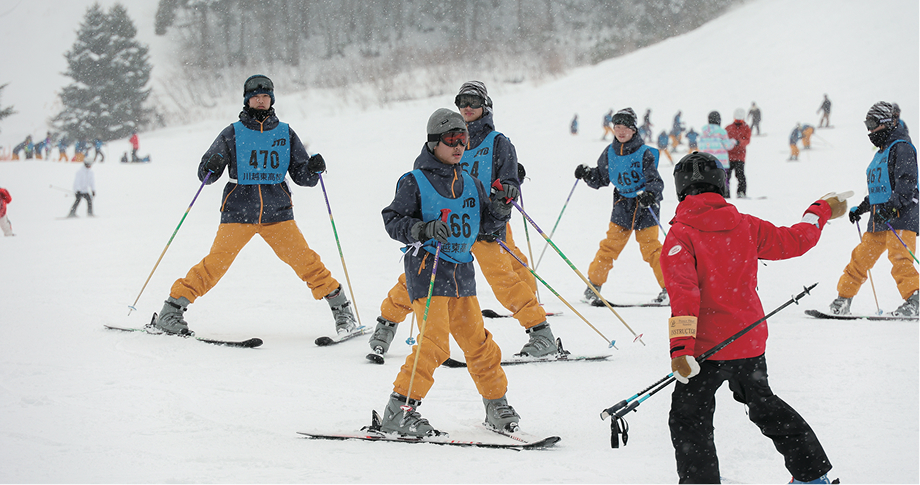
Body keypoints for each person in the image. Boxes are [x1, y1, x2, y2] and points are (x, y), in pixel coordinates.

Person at [662, 151, 843, 484]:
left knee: (689, 418)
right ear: (720, 183)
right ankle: (812, 476)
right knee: (763, 405)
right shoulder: (746, 224)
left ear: (680, 188)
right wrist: (820, 211)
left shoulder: (680, 234)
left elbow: (684, 295)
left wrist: (681, 350)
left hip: (704, 350)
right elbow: (796, 240)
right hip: (747, 342)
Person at [152, 74, 358, 337]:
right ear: (247, 101)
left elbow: (303, 177)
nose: (260, 101)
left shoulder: (285, 133)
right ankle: (171, 311)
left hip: (278, 213)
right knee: (214, 265)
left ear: (271, 100)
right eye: (255, 97)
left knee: (306, 262)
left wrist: (313, 169)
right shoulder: (232, 133)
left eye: (265, 97)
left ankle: (342, 312)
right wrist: (211, 165)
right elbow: (206, 175)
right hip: (238, 212)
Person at [369, 81, 558, 359]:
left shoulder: (497, 142)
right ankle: (386, 324)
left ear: (486, 105)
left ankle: (541, 332)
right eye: (462, 101)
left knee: (504, 279)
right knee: (413, 280)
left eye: (474, 101)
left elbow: (509, 183)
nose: (467, 107)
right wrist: (420, 227)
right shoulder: (443, 139)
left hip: (483, 223)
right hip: (444, 228)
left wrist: (504, 197)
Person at [376, 107, 520, 437]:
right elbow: (392, 220)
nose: (458, 145)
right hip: (427, 272)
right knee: (434, 345)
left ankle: (496, 404)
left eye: (463, 138)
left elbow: (486, 228)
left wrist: (500, 210)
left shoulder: (470, 182)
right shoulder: (414, 181)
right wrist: (421, 229)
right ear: (433, 143)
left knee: (478, 343)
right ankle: (399, 410)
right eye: (451, 139)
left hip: (462, 273)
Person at [829, 101, 918, 317]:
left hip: (901, 216)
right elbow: (882, 189)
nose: (869, 131)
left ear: (886, 122)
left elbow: (906, 183)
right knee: (861, 258)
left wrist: (893, 207)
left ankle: (915, 300)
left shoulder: (902, 147)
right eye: (866, 125)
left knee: (900, 258)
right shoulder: (881, 152)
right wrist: (862, 207)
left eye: (872, 124)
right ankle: (843, 299)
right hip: (880, 219)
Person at [575, 107, 668, 306]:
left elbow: (655, 181)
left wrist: (651, 194)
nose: (621, 131)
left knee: (651, 248)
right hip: (622, 205)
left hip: (645, 205)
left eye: (625, 127)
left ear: (634, 129)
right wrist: (587, 174)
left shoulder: (644, 153)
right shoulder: (610, 153)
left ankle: (670, 287)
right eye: (617, 127)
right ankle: (593, 287)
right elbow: (601, 178)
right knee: (609, 246)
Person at [698, 111, 737, 196]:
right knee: (723, 181)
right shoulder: (721, 132)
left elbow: (700, 147)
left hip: (707, 162)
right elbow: (728, 145)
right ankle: (724, 196)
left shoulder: (703, 133)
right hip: (721, 162)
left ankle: (710, 196)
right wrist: (733, 141)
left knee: (709, 182)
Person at [725, 108, 752, 198]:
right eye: (736, 120)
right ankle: (725, 192)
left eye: (739, 120)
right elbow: (723, 139)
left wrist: (739, 142)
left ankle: (741, 192)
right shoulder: (728, 128)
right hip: (728, 157)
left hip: (740, 156)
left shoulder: (746, 128)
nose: (738, 122)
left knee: (740, 176)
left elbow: (747, 140)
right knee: (726, 176)